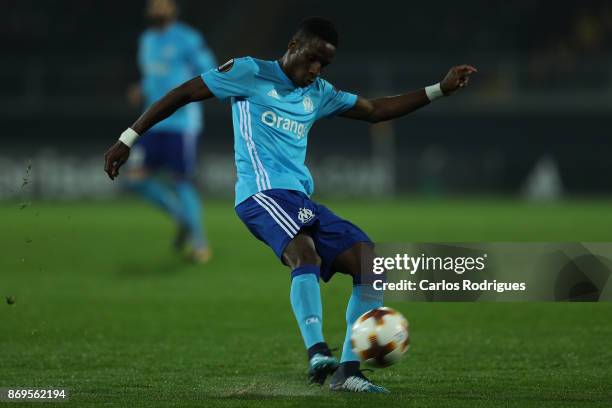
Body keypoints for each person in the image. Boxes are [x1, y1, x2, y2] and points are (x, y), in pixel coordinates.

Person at [104, 16, 476, 392]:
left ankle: (348, 373)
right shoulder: (249, 72)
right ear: (294, 45)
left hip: (298, 198)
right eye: (312, 59)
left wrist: (439, 89)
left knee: (369, 262)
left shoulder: (319, 92)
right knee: (305, 253)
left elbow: (375, 109)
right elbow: (183, 92)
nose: (316, 70)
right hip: (260, 195)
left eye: (324, 64)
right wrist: (128, 137)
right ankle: (317, 351)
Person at [125, 0, 216, 262]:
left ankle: (200, 245)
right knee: (135, 178)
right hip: (152, 121)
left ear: (173, 10)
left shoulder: (188, 38)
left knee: (182, 181)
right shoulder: (146, 40)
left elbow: (209, 70)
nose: (156, 10)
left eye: (161, 6)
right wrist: (142, 88)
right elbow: (155, 74)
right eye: (153, 6)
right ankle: (181, 217)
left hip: (181, 123)